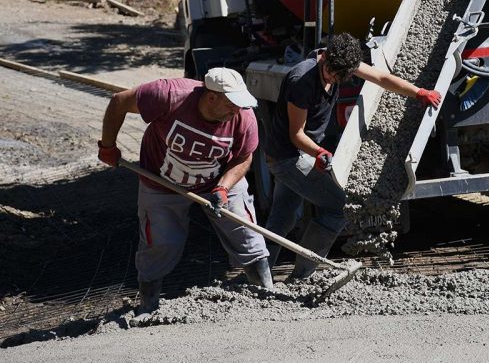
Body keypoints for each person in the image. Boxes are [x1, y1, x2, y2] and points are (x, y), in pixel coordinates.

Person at [263, 32, 441, 279]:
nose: (334, 78)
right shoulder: (301, 80)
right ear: (324, 57)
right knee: (338, 206)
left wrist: (418, 92)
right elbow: (296, 134)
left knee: (281, 220)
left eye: (340, 76)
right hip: (288, 156)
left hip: (298, 152)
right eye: (331, 73)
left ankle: (257, 277)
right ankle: (302, 276)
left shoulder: (343, 61)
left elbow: (381, 77)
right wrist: (319, 152)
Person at [98, 67, 272, 316]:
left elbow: (245, 158)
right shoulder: (168, 95)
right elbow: (119, 102)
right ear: (211, 97)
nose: (237, 110)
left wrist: (223, 187)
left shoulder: (243, 117)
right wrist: (108, 146)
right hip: (161, 183)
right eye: (231, 104)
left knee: (247, 234)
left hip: (219, 182)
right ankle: (148, 306)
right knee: (160, 243)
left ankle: (269, 296)